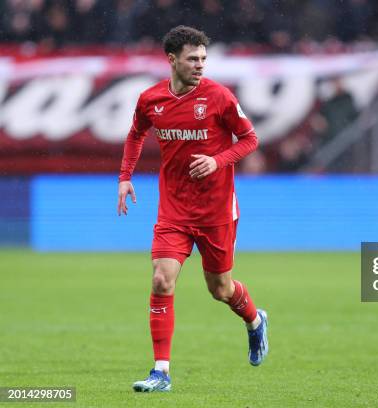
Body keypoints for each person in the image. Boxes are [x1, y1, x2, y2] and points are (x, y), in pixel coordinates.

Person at [117, 25, 268, 392]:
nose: (200, 65)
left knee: (220, 289)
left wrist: (218, 161)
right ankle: (161, 372)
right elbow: (136, 133)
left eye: (203, 58)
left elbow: (250, 139)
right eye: (192, 59)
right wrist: (125, 176)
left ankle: (254, 319)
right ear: (172, 60)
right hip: (174, 210)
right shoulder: (150, 99)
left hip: (216, 211)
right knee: (161, 279)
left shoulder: (219, 97)